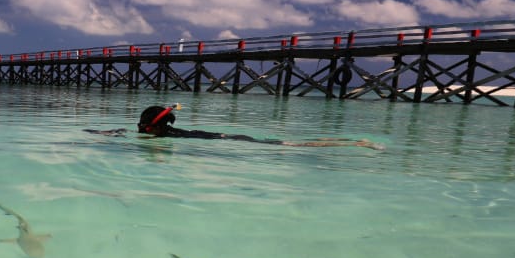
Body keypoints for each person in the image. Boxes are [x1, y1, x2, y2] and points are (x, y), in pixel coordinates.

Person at [136, 105, 383, 150]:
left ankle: (357, 143)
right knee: (289, 143)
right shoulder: (164, 133)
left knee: (293, 145)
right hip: (227, 137)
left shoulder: (162, 137)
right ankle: (348, 140)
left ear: (151, 128)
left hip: (231, 140)